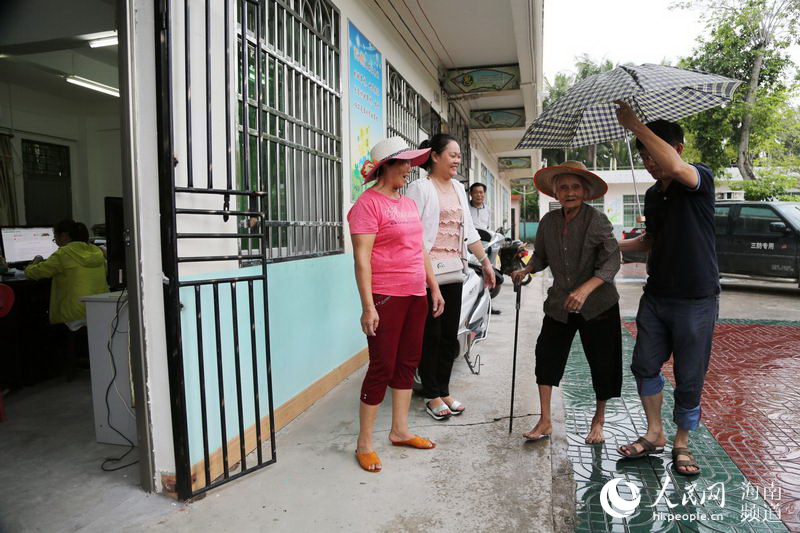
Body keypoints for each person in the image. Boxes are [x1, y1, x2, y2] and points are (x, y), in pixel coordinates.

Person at [614, 100, 719, 476]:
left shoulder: (699, 178)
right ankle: (654, 432)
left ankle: (682, 443)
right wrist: (611, 246)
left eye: (654, 152)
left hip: (696, 298)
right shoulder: (653, 196)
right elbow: (649, 241)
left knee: (690, 374)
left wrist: (635, 124)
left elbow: (675, 169)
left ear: (677, 148)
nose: (649, 160)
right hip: (656, 297)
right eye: (643, 155)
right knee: (643, 364)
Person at [347, 136, 445, 473]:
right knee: (381, 366)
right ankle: (364, 443)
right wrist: (368, 306)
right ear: (386, 166)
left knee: (407, 362)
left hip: (415, 293)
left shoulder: (406, 203)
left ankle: (400, 431)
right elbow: (362, 261)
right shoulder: (366, 205)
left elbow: (420, 250)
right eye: (404, 163)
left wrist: (433, 287)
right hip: (385, 296)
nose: (410, 169)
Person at [511, 161, 622, 444]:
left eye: (575, 187)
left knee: (602, 361)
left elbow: (612, 258)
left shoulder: (597, 220)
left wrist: (586, 289)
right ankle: (545, 420)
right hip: (560, 303)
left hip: (598, 304)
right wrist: (526, 269)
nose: (569, 192)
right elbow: (541, 256)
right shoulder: (548, 222)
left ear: (585, 191)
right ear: (555, 193)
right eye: (563, 188)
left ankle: (599, 419)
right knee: (546, 354)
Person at [406, 133, 496, 421]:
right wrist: (427, 277)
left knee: (448, 336)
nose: (458, 160)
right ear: (435, 156)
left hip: (455, 272)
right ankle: (431, 394)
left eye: (459, 156)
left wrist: (485, 262)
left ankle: (443, 389)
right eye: (453, 154)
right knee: (430, 336)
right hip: (427, 274)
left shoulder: (458, 188)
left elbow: (469, 232)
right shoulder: (420, 188)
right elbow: (413, 235)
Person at [24, 220, 109, 377]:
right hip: (97, 309)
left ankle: (51, 368)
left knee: (35, 318)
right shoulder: (97, 251)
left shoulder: (63, 254)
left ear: (64, 236)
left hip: (75, 312)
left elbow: (33, 273)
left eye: (54, 237)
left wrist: (35, 260)